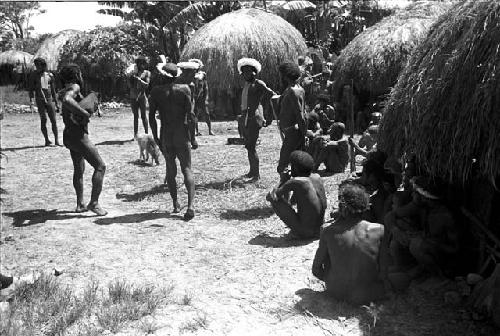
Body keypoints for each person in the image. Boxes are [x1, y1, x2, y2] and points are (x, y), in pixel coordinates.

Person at [312, 183, 386, 304]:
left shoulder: (328, 231)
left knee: (331, 253)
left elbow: (316, 270)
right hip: (368, 294)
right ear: (365, 206)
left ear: (342, 208)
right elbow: (384, 270)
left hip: (336, 292)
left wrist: (332, 279)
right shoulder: (379, 230)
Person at [149, 63, 196, 221]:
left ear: (163, 75)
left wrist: (156, 137)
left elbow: (151, 118)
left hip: (166, 135)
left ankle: (176, 203)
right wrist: (193, 137)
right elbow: (190, 116)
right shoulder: (185, 89)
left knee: (171, 170)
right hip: (181, 134)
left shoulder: (156, 92)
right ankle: (190, 206)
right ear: (177, 75)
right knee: (187, 169)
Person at [59, 64, 107, 216]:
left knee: (78, 170)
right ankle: (94, 203)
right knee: (100, 166)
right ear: (76, 74)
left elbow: (66, 101)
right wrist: (85, 114)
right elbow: (67, 100)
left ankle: (80, 204)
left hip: (68, 135)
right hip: (79, 136)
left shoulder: (63, 89)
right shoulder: (74, 87)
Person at [266, 150, 327, 239]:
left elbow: (272, 196)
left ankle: (299, 232)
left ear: (295, 168)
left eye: (291, 166)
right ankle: (304, 227)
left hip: (306, 233)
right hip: (319, 230)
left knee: (273, 198)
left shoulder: (296, 182)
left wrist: (283, 180)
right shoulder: (317, 177)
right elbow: (294, 202)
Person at [237, 57, 277, 181]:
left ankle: (256, 175)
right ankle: (252, 171)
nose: (246, 74)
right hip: (246, 117)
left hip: (254, 118)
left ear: (254, 72)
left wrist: (269, 115)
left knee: (251, 146)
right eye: (244, 72)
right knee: (248, 146)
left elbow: (272, 95)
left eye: (248, 71)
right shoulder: (247, 84)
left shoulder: (258, 83)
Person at [277, 62, 307, 182]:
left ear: (285, 76)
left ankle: (284, 192)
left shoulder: (292, 91)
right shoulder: (299, 89)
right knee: (296, 162)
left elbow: (300, 113)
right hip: (294, 130)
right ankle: (297, 189)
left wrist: (304, 134)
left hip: (293, 132)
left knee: (283, 165)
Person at [28, 57, 61, 146]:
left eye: (39, 65)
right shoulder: (33, 75)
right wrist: (31, 101)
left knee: (53, 120)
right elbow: (31, 90)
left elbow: (53, 91)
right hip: (40, 100)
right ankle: (46, 140)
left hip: (49, 99)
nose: (37, 67)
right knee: (44, 119)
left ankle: (56, 140)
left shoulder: (50, 76)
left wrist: (57, 103)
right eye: (36, 65)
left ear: (43, 66)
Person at [177, 60, 203, 149]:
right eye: (191, 75)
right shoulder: (178, 81)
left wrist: (190, 109)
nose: (193, 77)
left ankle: (192, 139)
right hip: (179, 104)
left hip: (189, 103)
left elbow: (192, 98)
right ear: (185, 73)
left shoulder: (191, 84)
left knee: (191, 119)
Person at [189, 58, 214, 136]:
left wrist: (206, 98)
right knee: (194, 114)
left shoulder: (203, 74)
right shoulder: (190, 75)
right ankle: (196, 131)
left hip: (202, 97)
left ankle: (210, 130)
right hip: (193, 97)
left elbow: (205, 87)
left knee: (206, 114)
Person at [128, 56, 151, 140]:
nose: (142, 65)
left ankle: (146, 134)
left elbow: (147, 85)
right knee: (135, 116)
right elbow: (129, 86)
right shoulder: (133, 73)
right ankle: (135, 135)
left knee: (143, 116)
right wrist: (132, 78)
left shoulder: (147, 73)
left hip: (142, 96)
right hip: (133, 96)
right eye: (140, 64)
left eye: (143, 64)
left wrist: (139, 80)